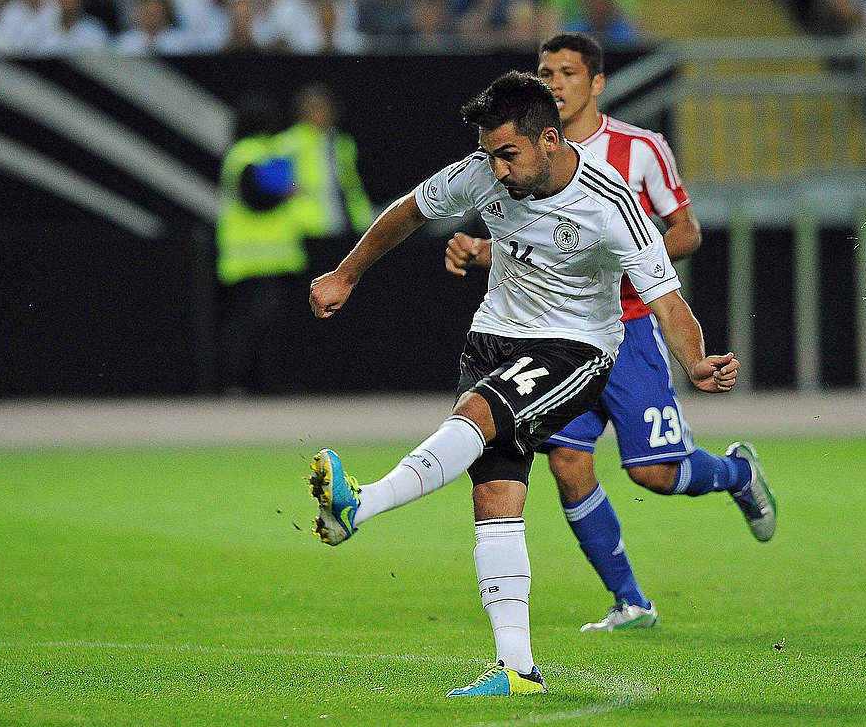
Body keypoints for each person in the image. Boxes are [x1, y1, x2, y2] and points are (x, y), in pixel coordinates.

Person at [306, 71, 741, 696]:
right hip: (493, 336)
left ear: (548, 140)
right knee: (496, 500)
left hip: (574, 348)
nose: (497, 170)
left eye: (508, 154)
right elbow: (407, 212)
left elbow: (667, 299)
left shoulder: (610, 204)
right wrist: (346, 276)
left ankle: (362, 503)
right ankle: (517, 669)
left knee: (479, 417)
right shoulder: (484, 172)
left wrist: (694, 362)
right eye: (489, 155)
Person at [444, 32, 777, 633]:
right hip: (557, 338)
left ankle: (737, 473)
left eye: (567, 72)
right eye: (545, 72)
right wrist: (484, 250)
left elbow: (687, 231)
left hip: (631, 327)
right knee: (568, 463)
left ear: (596, 83)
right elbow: (542, 247)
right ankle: (630, 601)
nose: (554, 83)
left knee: (654, 472)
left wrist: (624, 261)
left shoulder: (639, 150)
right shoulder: (521, 158)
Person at [215, 92, 305, 395]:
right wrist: (285, 193)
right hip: (256, 257)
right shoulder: (248, 154)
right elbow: (255, 198)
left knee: (258, 326)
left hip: (260, 257)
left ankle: (252, 384)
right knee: (252, 327)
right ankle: (244, 383)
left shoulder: (251, 152)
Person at [277, 82, 374, 239]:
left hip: (345, 223)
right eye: (314, 107)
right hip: (306, 227)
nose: (320, 113)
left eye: (323, 107)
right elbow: (278, 183)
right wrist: (295, 188)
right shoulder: (289, 142)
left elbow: (352, 184)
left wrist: (363, 215)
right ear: (303, 111)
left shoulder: (343, 142)